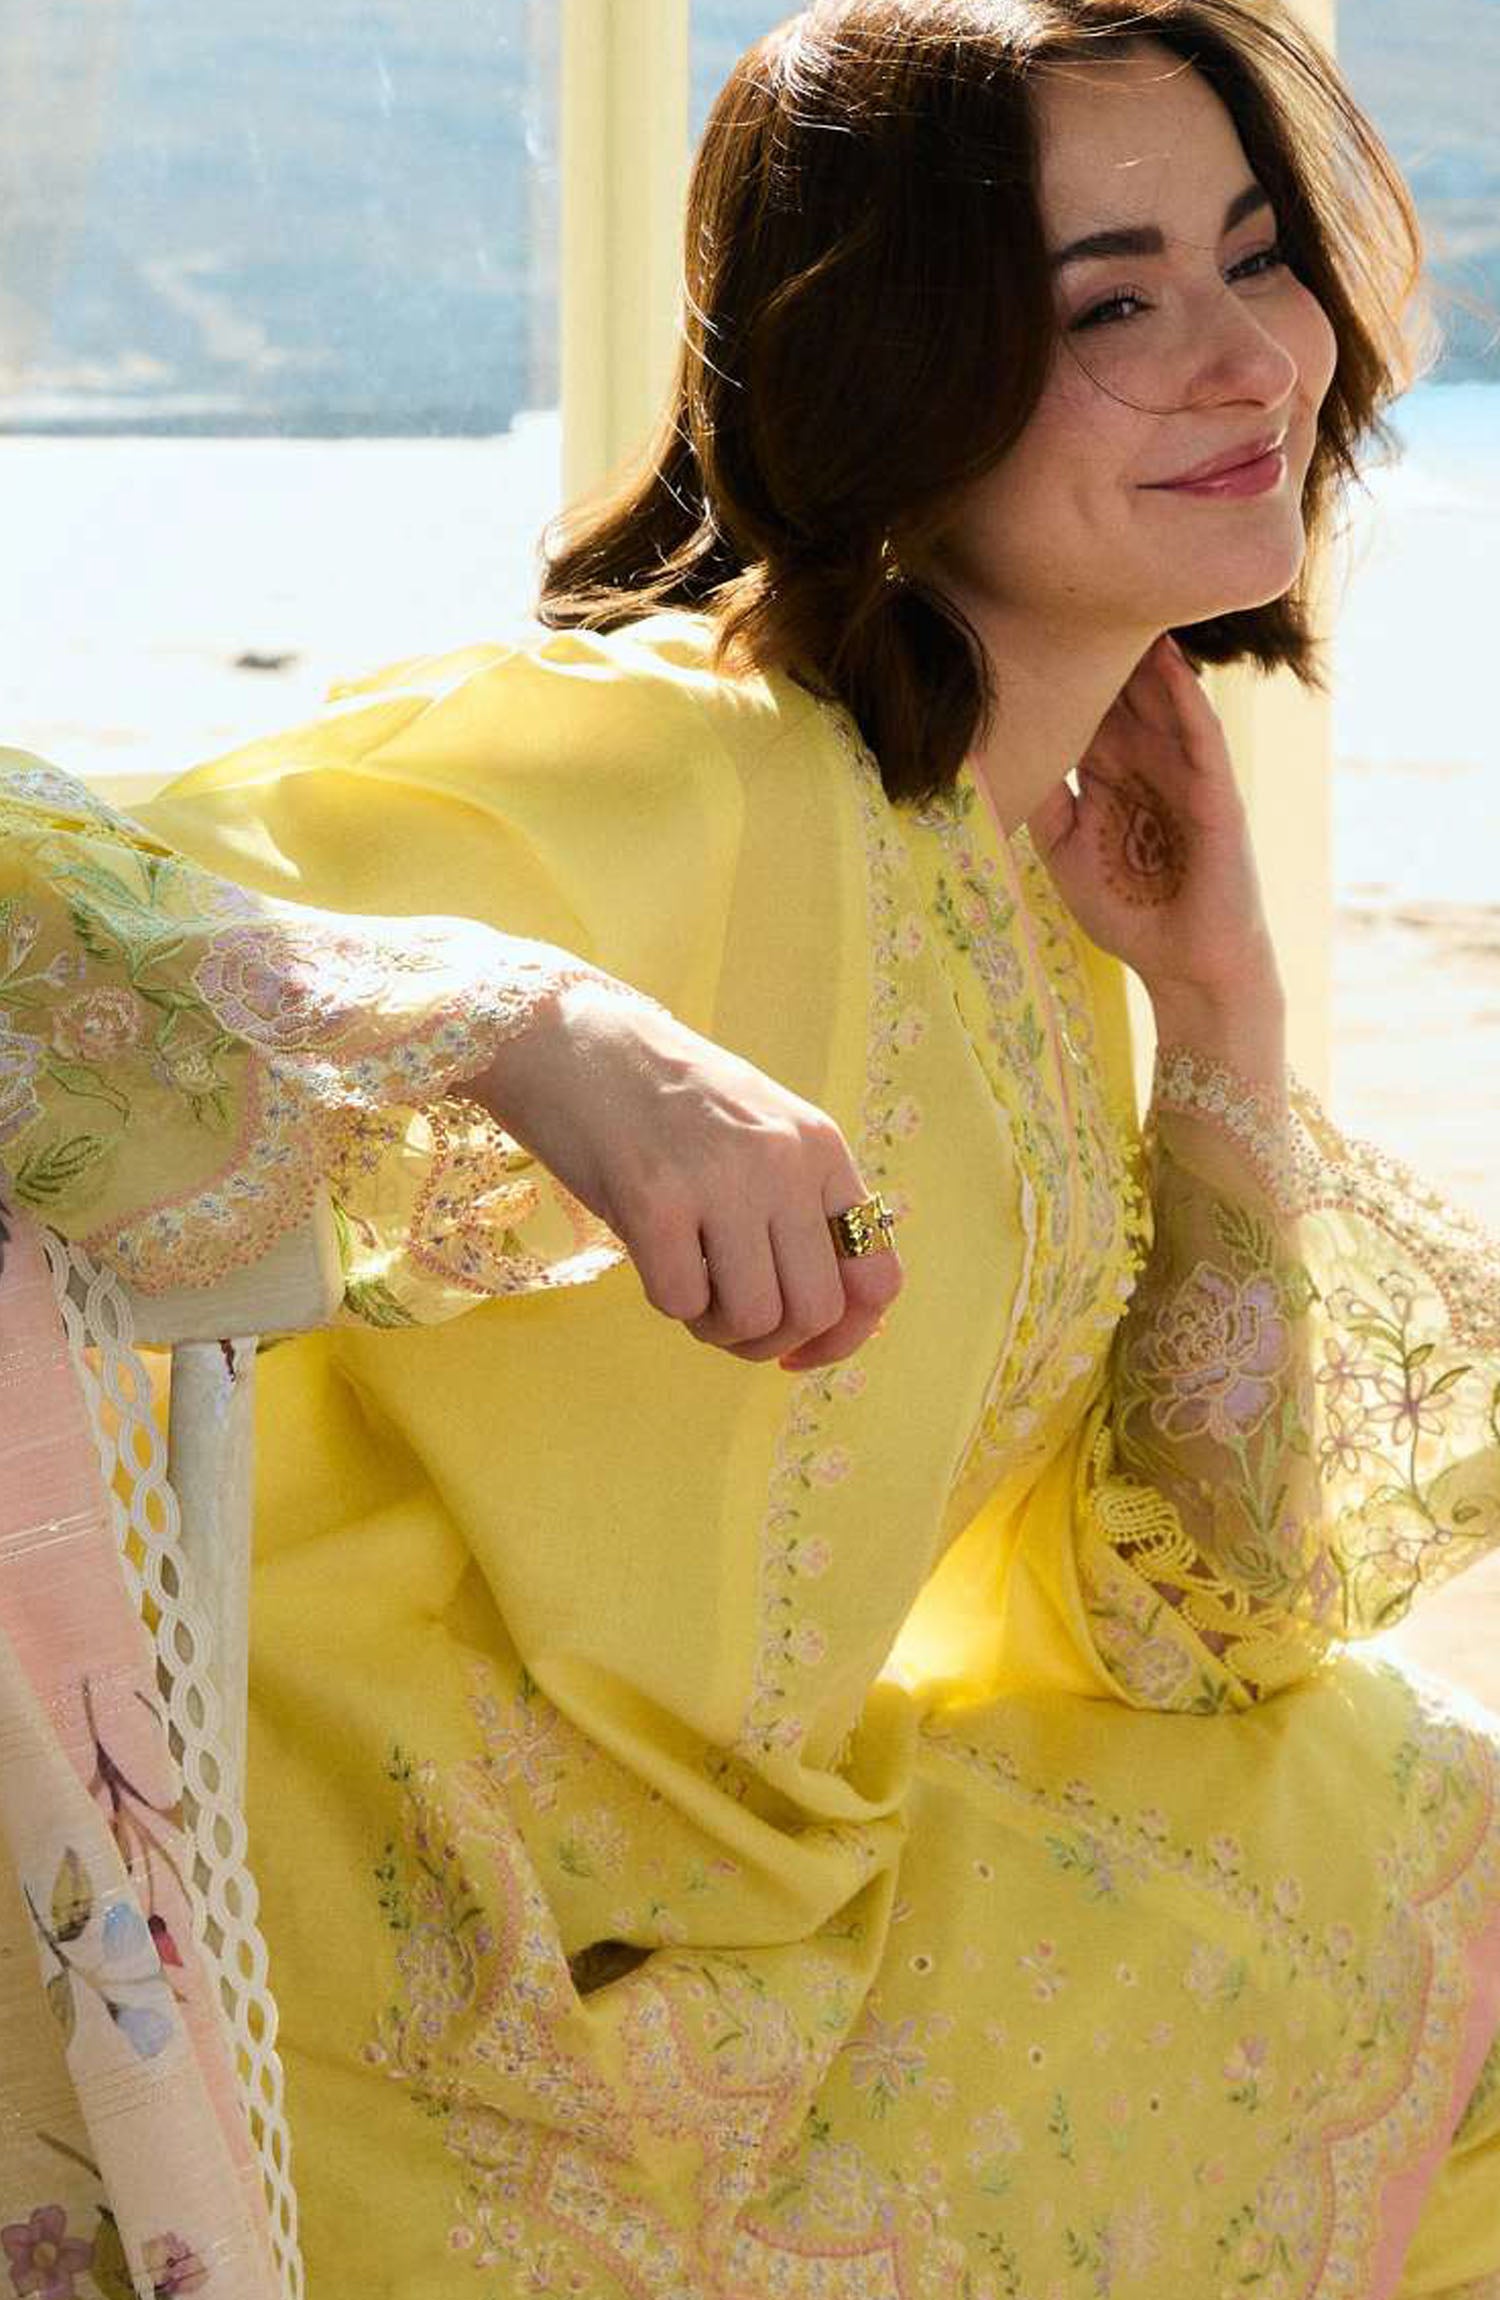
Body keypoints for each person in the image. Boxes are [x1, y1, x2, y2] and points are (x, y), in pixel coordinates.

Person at [5, 0, 1500, 2292]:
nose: (1247, 362)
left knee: (1431, 1841)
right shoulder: (663, 762)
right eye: (1110, 303)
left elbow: (1191, 1632)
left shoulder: (1013, 888)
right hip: (419, 2002)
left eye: (1256, 253)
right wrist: (542, 1022)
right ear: (898, 371)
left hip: (748, 1929)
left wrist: (1223, 1006)